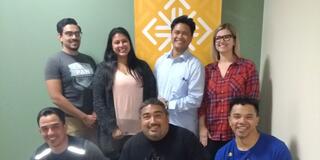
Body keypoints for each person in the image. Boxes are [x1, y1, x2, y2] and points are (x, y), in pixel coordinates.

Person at [93, 27, 157, 160]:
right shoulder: (103, 69)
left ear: (130, 43)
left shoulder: (142, 66)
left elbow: (152, 94)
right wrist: (112, 128)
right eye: (117, 42)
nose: (121, 45)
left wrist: (148, 123)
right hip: (115, 134)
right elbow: (98, 102)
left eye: (124, 41)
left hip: (140, 130)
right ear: (111, 45)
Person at [198, 23, 260, 159]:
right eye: (218, 38)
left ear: (234, 41)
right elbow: (202, 103)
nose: (222, 41)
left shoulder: (247, 67)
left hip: (237, 133)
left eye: (227, 37)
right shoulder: (207, 70)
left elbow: (252, 101)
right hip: (211, 135)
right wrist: (202, 128)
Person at [44, 18, 97, 142]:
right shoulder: (54, 61)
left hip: (94, 120)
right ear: (60, 37)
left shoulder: (89, 60)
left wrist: (94, 114)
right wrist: (83, 117)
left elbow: (96, 89)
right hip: (72, 121)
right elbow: (56, 97)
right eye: (69, 34)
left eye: (77, 33)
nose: (74, 37)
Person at [154, 15, 204, 135]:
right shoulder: (161, 61)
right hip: (159, 126)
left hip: (183, 128)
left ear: (191, 37)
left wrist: (168, 105)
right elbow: (154, 91)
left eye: (185, 33)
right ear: (171, 34)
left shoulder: (195, 65)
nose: (180, 36)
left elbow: (195, 99)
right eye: (176, 32)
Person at [119, 98, 207, 160]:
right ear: (140, 121)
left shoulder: (187, 139)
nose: (153, 121)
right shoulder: (131, 146)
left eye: (158, 115)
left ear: (167, 118)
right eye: (147, 117)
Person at [215, 97, 292, 160]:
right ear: (229, 120)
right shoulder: (222, 154)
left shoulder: (277, 150)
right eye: (237, 116)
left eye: (249, 117)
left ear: (257, 120)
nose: (242, 121)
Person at [31, 107, 108, 160]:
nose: (50, 133)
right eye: (44, 129)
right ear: (40, 132)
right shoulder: (38, 156)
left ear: (65, 127)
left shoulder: (87, 150)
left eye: (55, 126)